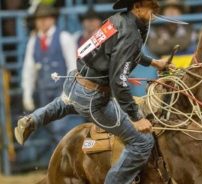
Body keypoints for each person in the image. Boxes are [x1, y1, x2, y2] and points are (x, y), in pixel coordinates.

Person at [15, 0, 172, 183]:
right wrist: (137, 117)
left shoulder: (115, 20)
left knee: (63, 104)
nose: (153, 12)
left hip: (75, 82)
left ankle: (33, 119)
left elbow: (124, 51)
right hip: (94, 97)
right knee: (142, 142)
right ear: (137, 7)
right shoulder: (130, 33)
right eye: (150, 7)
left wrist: (153, 62)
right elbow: (119, 81)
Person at [22, 4, 77, 111]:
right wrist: (27, 94)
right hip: (42, 93)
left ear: (53, 19)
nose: (42, 21)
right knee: (45, 124)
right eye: (39, 18)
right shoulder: (33, 41)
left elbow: (73, 67)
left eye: (46, 17)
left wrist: (67, 92)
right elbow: (29, 69)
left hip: (62, 91)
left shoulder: (64, 37)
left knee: (62, 126)